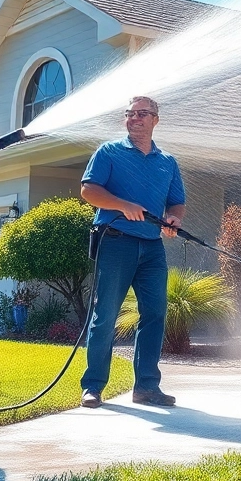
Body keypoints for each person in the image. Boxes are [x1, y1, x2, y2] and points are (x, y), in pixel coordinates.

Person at [78, 95, 185, 409]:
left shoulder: (167, 162)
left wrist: (174, 219)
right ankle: (93, 386)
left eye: (142, 113)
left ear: (155, 120)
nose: (134, 118)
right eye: (130, 113)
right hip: (115, 242)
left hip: (152, 247)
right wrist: (123, 205)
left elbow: (176, 202)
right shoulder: (108, 152)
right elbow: (88, 190)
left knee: (154, 314)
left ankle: (147, 388)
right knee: (105, 315)